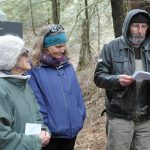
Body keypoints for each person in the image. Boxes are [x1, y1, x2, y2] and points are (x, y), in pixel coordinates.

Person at [94, 9, 150, 150]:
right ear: (127, 26)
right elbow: (99, 77)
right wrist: (117, 80)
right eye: (136, 26)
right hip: (120, 116)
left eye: (144, 26)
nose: (140, 31)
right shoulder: (111, 47)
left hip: (146, 117)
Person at [27, 24, 86, 150]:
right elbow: (35, 102)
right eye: (58, 46)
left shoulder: (67, 65)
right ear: (45, 46)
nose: (62, 50)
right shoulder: (33, 69)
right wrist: (45, 126)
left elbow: (77, 93)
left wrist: (80, 115)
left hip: (72, 130)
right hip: (50, 134)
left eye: (64, 45)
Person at [0, 35, 50, 150]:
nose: (29, 56)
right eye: (23, 52)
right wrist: (36, 141)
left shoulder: (23, 83)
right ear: (9, 59)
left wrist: (43, 130)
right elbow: (2, 139)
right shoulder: (1, 89)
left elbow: (37, 115)